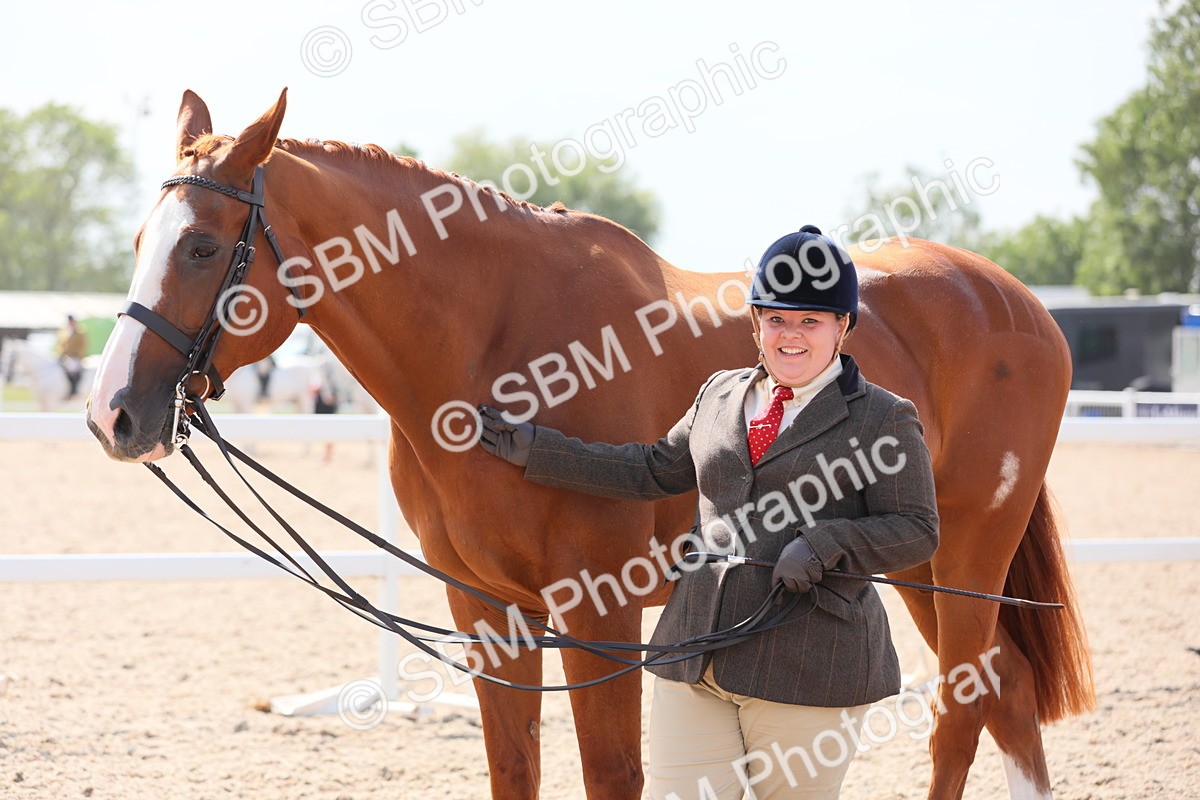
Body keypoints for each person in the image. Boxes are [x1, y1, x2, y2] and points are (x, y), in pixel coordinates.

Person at [478, 225, 939, 800]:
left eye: (809, 322)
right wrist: (538, 451)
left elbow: (917, 530)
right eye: (776, 320)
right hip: (694, 654)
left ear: (842, 327)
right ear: (755, 324)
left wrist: (827, 544)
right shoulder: (719, 395)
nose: (790, 336)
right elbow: (652, 470)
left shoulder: (883, 418)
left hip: (806, 662)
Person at [55, 315, 88, 397]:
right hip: (64, 356)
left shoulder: (80, 333)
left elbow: (82, 346)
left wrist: (74, 355)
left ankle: (73, 389)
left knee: (73, 368)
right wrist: (62, 354)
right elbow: (61, 345)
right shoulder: (63, 333)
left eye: (71, 322)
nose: (70, 323)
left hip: (75, 357)